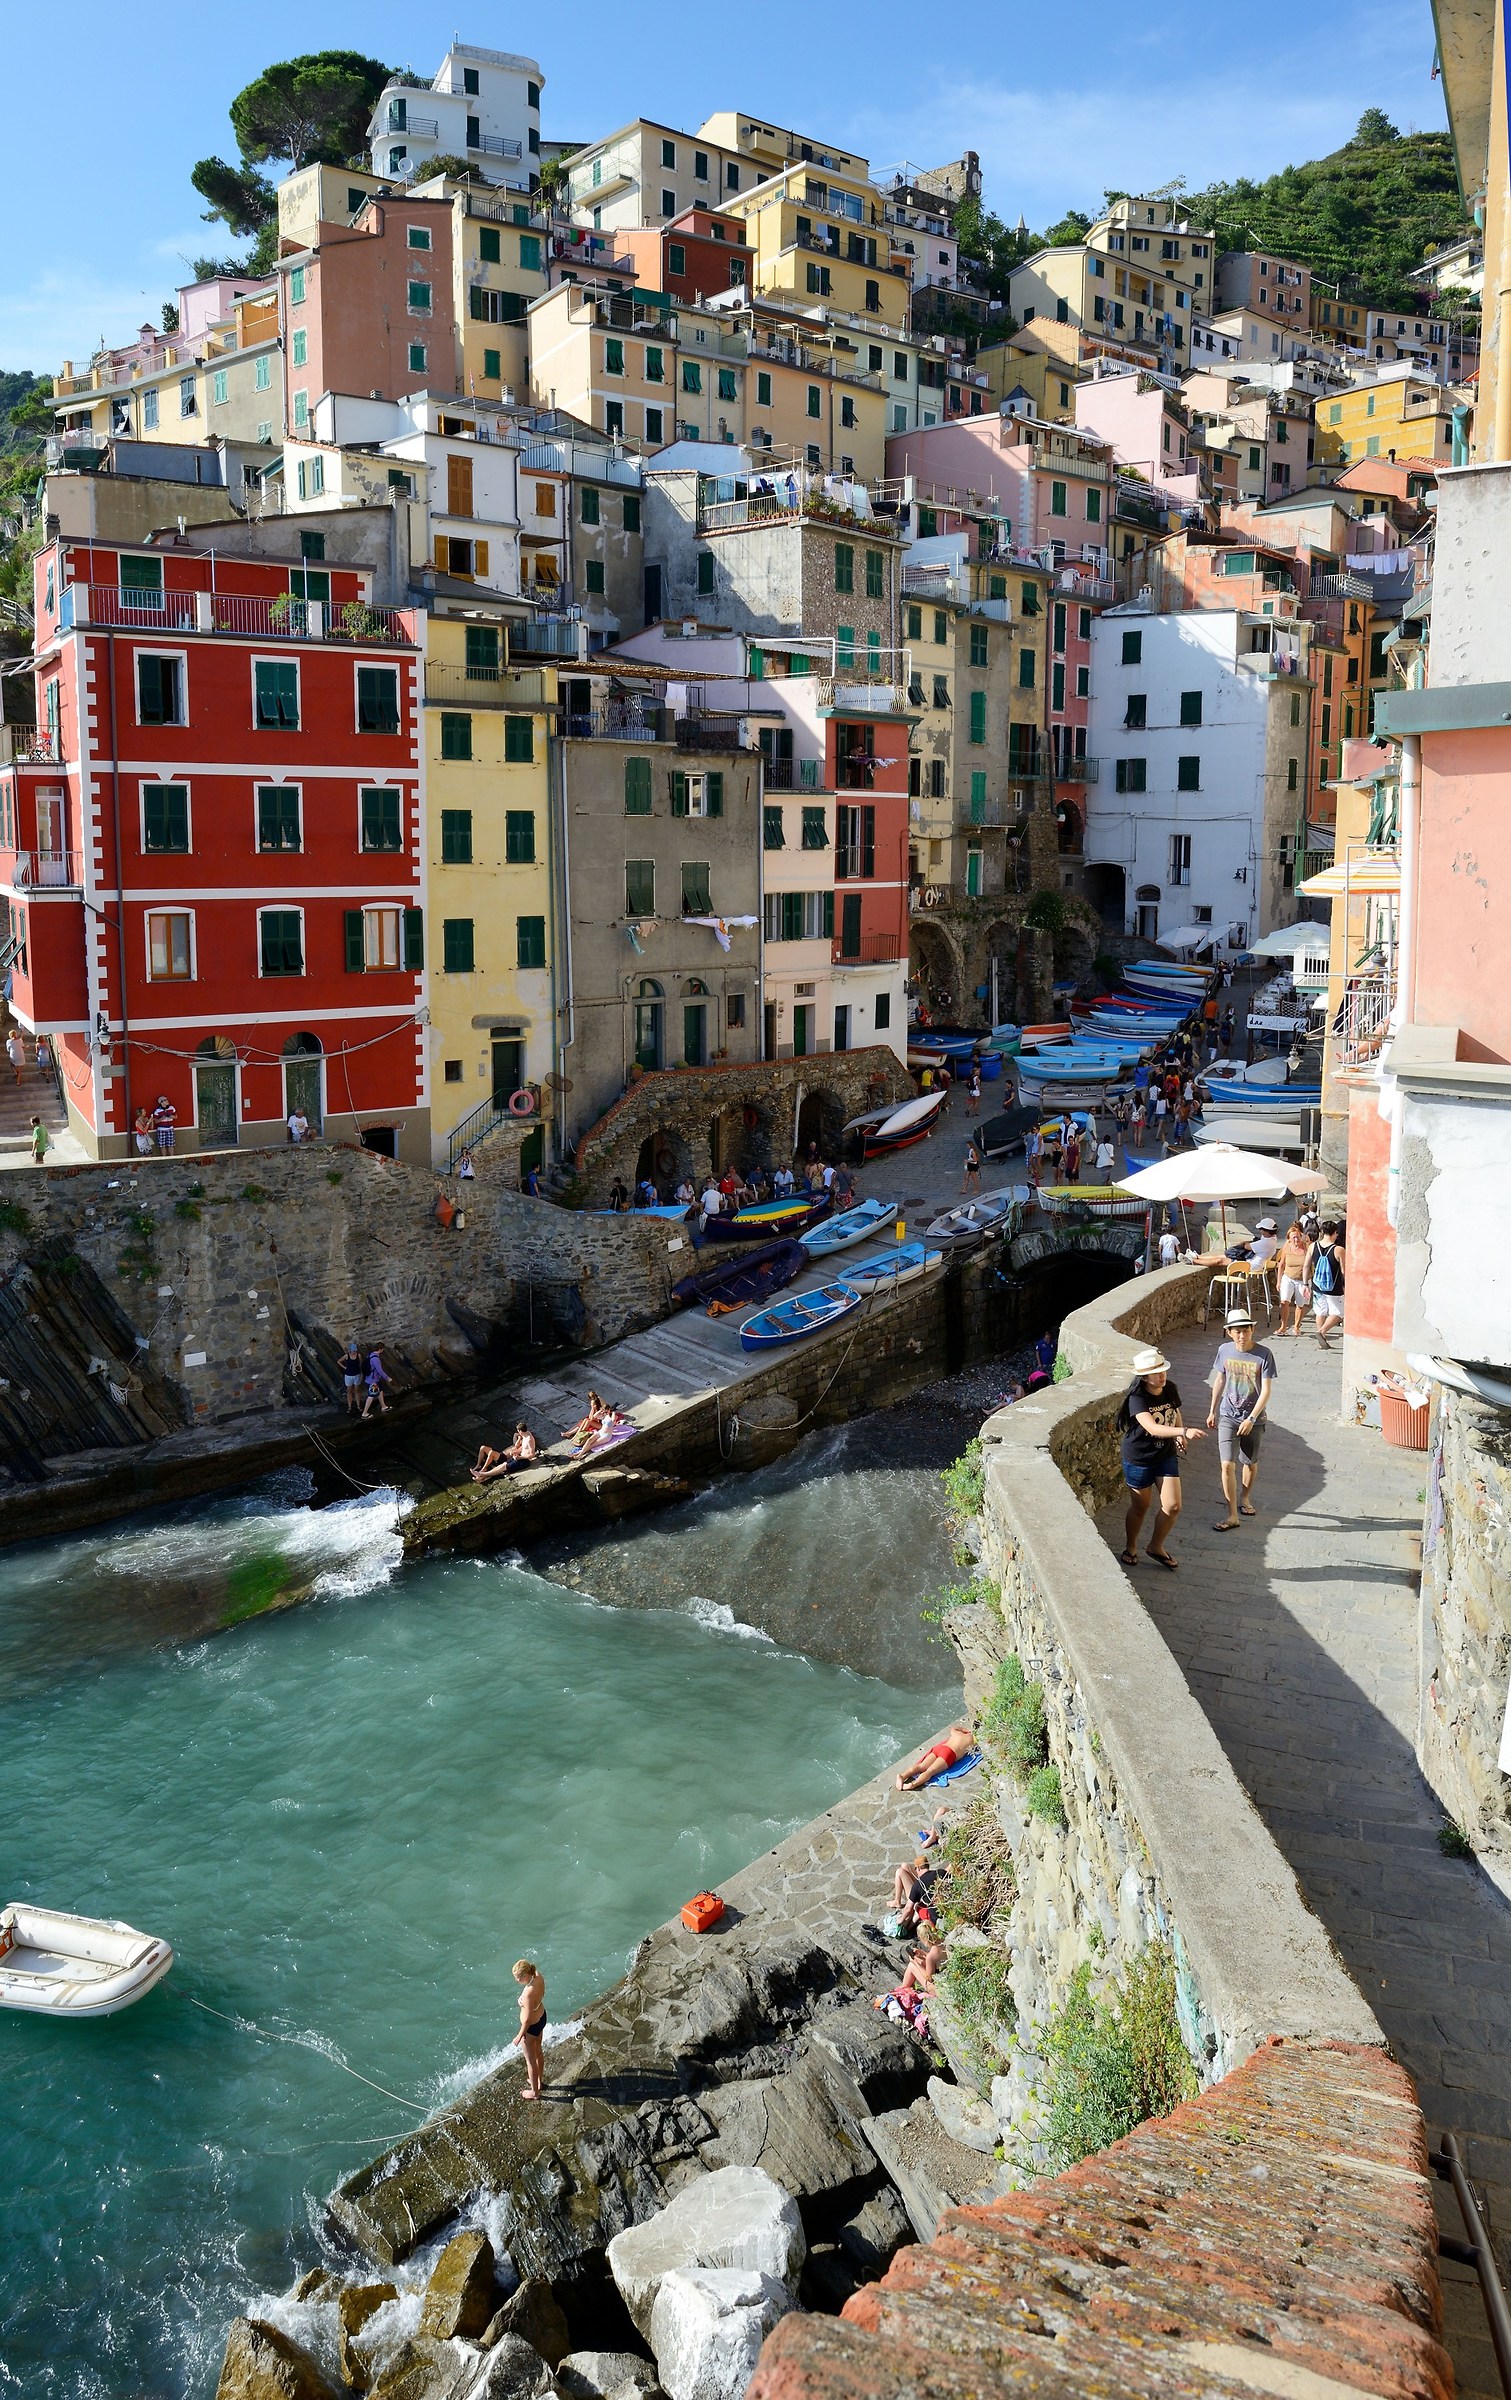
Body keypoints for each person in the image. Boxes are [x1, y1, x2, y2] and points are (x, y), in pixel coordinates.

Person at [1117, 1346, 1203, 1571]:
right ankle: (1130, 1546)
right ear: (1144, 1377)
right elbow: (1152, 1427)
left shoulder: (1170, 1388)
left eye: (1162, 1370)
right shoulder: (1137, 1398)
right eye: (1155, 1373)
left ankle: (1156, 1546)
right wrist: (1183, 1432)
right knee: (1140, 1506)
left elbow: (1175, 1411)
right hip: (1139, 1458)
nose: (1161, 1375)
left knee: (1173, 1506)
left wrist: (1179, 1432)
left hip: (1164, 1455)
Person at [1206, 1308, 1276, 1529]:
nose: (1242, 1335)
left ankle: (1245, 1497)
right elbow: (1220, 1380)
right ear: (1229, 1332)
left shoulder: (1264, 1354)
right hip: (1228, 1415)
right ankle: (1232, 1515)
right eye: (1237, 1331)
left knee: (1249, 1463)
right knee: (1227, 1465)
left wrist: (1252, 1419)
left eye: (1245, 1330)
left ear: (1252, 1329)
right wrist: (1212, 1410)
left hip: (1254, 1419)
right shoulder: (1224, 1350)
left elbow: (1266, 1390)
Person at [896, 1724, 975, 1791]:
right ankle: (914, 1784)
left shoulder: (957, 1733)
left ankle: (902, 1776)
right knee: (930, 1771)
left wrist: (965, 1730)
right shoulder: (974, 1738)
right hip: (950, 1754)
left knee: (921, 1766)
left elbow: (953, 1728)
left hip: (941, 1748)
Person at [1306, 1221, 1346, 1348]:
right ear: (1335, 1233)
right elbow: (1344, 1271)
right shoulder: (1339, 1250)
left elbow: (1306, 1266)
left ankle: (1321, 1341)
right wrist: (1346, 1286)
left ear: (1322, 1232)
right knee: (1338, 1313)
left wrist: (1305, 1283)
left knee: (1320, 1312)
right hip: (1334, 1287)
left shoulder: (1313, 1246)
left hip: (1317, 1286)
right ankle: (1322, 1331)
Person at [512, 1958, 547, 2102]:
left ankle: (534, 2092)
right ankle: (539, 2081)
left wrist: (519, 2036)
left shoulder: (528, 1994)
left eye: (518, 1978)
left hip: (531, 2028)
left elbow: (526, 2020)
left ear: (525, 1975)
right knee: (539, 2051)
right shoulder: (538, 1976)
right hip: (542, 2017)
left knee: (530, 2061)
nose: (516, 1980)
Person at [1275, 1217, 1312, 1336]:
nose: (1296, 1239)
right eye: (1293, 1237)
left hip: (1303, 1280)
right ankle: (1283, 1326)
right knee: (1284, 1302)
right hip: (1288, 1277)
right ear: (1289, 1239)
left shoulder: (1306, 1247)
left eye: (1297, 1236)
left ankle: (1296, 1326)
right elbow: (1281, 1264)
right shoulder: (1287, 1247)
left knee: (1300, 1304)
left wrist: (1307, 1241)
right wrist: (1279, 1281)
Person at [472, 1423, 540, 1483]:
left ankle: (481, 1474)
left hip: (525, 1461)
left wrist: (520, 1457)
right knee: (502, 1465)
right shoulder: (525, 1435)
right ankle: (481, 1477)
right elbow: (523, 1447)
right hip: (518, 1458)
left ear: (520, 1431)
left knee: (503, 1467)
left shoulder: (529, 1439)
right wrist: (516, 1451)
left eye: (518, 1431)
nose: (517, 1432)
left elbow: (532, 1454)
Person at [361, 1345, 392, 1419]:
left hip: (372, 1379)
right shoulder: (375, 1359)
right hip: (373, 1380)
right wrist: (387, 1378)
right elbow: (379, 1370)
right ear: (380, 1349)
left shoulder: (371, 1355)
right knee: (371, 1395)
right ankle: (364, 1413)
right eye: (382, 1349)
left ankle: (383, 1406)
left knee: (380, 1391)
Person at [341, 1340, 365, 1415]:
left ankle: (358, 1405)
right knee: (349, 1391)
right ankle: (349, 1406)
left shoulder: (358, 1355)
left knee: (357, 1390)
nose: (354, 1352)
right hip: (348, 1375)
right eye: (353, 1350)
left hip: (356, 1374)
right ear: (350, 1350)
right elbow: (339, 1361)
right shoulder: (347, 1356)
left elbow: (360, 1364)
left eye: (355, 1351)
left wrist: (360, 1372)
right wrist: (345, 1367)